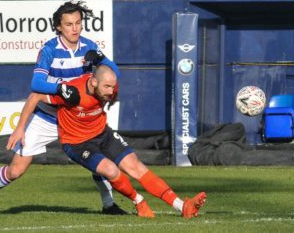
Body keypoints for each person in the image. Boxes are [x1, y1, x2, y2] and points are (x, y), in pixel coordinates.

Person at [0, 1, 125, 216]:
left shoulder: (89, 46)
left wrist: (102, 59)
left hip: (77, 118)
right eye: (69, 24)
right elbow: (36, 85)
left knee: (98, 161)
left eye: (78, 23)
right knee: (16, 170)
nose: (75, 29)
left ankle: (109, 205)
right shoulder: (50, 50)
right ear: (58, 27)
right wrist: (60, 89)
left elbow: (114, 72)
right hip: (47, 118)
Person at [16, 64, 207, 218]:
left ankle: (183, 206)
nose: (111, 91)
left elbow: (107, 77)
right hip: (77, 143)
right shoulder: (72, 92)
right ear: (93, 82)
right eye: (106, 87)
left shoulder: (109, 89)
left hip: (102, 134)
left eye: (113, 87)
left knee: (136, 166)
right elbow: (35, 96)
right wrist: (20, 129)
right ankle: (138, 201)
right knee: (111, 170)